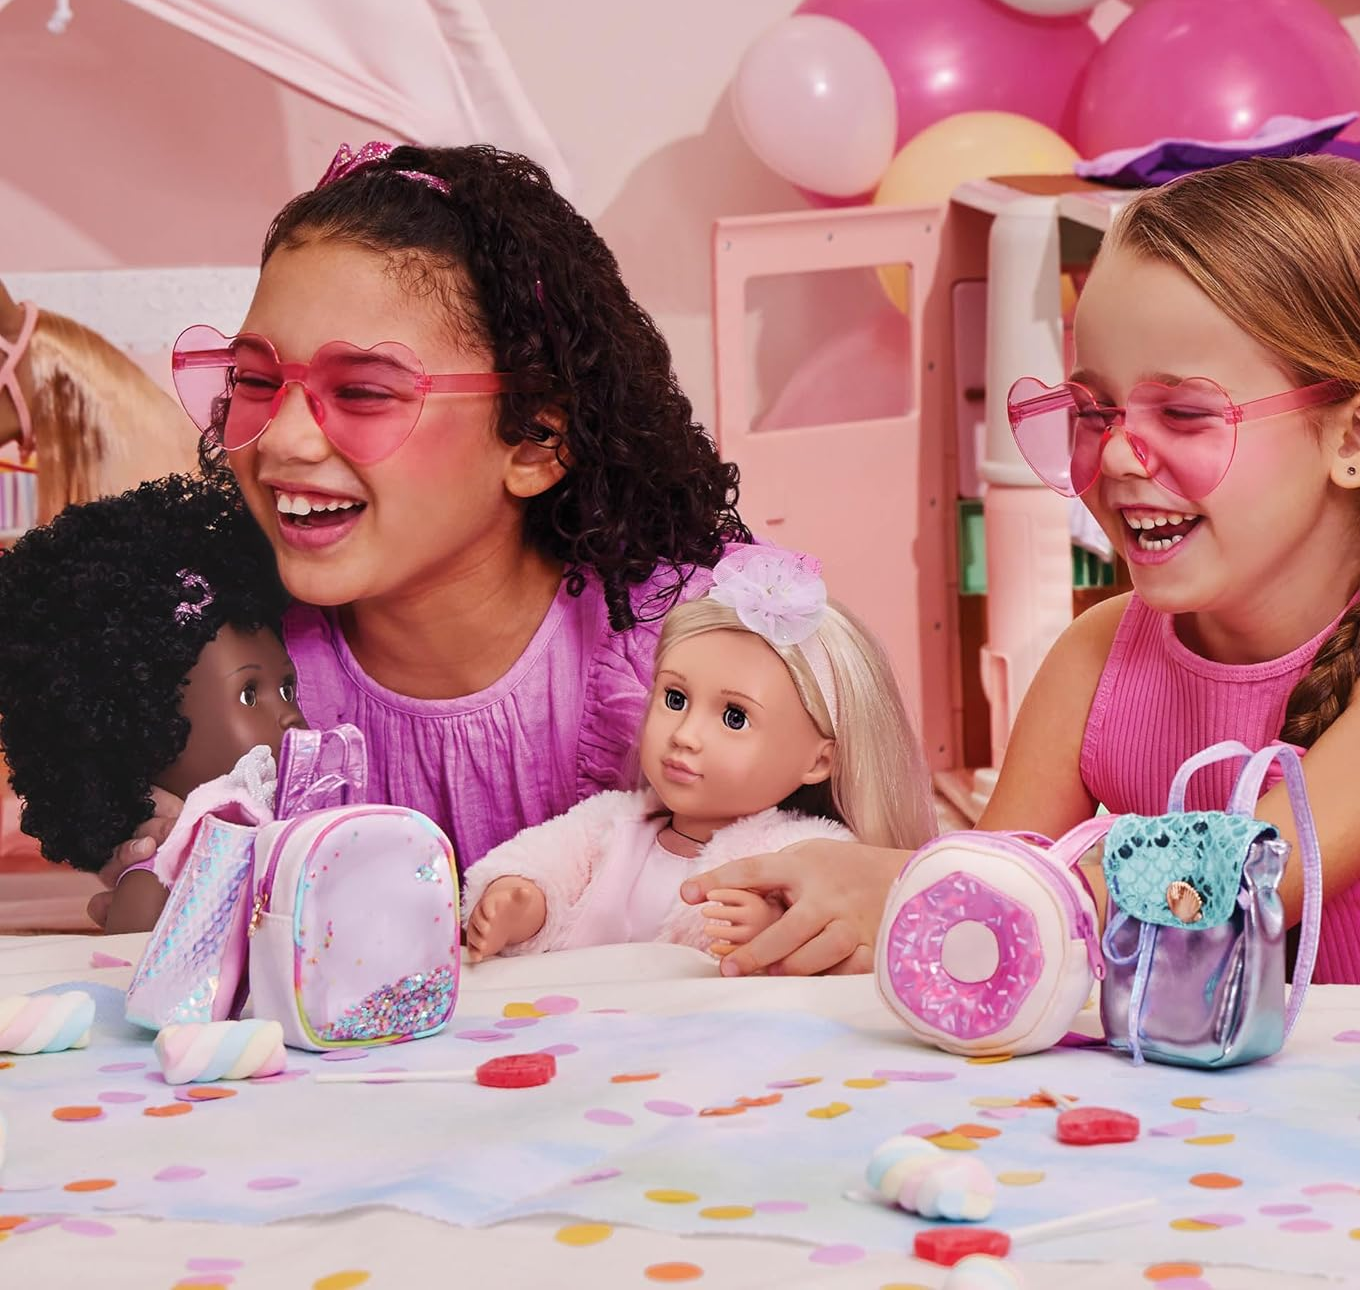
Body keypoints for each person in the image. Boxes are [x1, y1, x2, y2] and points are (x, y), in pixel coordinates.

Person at [688, 156, 1360, 988]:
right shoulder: (1097, 655)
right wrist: (865, 916)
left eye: (1183, 412)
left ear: (1358, 438)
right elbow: (999, 900)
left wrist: (905, 884)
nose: (1113, 456)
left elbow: (1236, 878)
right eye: (1096, 412)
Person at [88, 141, 750, 928]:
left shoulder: (695, 651)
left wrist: (858, 877)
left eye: (364, 393)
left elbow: (831, 859)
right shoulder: (223, 675)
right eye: (257, 381)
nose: (282, 440)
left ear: (536, 440)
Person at [462, 547, 934, 959]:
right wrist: (521, 898)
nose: (685, 735)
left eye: (734, 718)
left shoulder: (799, 854)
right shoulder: (611, 823)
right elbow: (546, 863)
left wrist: (769, 927)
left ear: (819, 761)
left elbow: (828, 928)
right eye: (675, 699)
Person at [0, 473, 304, 934]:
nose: (289, 714)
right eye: (249, 694)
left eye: (288, 689)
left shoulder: (306, 828)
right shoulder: (163, 874)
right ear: (147, 732)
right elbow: (135, 962)